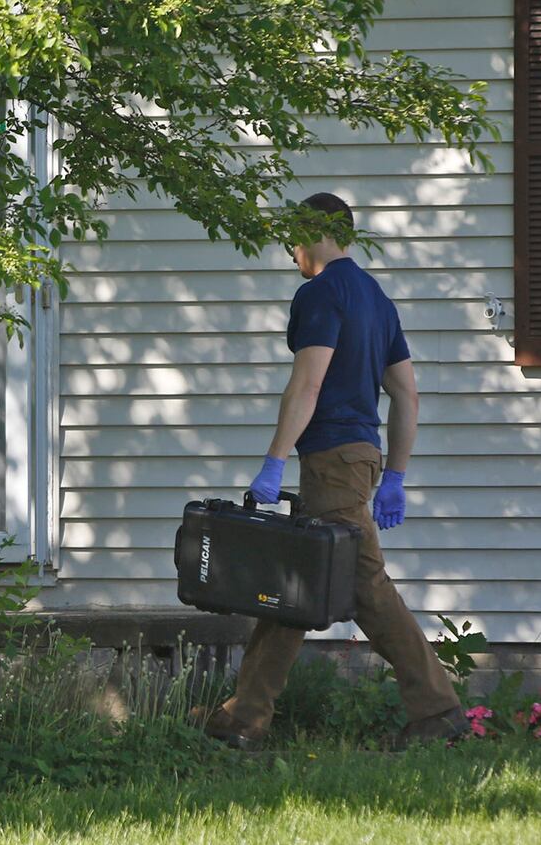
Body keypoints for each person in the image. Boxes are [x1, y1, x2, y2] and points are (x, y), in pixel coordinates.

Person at [192, 191, 466, 748]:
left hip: (332, 462)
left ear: (311, 232)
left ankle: (437, 711)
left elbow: (308, 383)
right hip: (362, 459)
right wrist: (395, 476)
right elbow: (407, 394)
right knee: (296, 582)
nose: (290, 251)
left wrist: (273, 460)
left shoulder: (319, 294)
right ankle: (244, 715)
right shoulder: (375, 297)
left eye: (292, 239)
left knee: (355, 586)